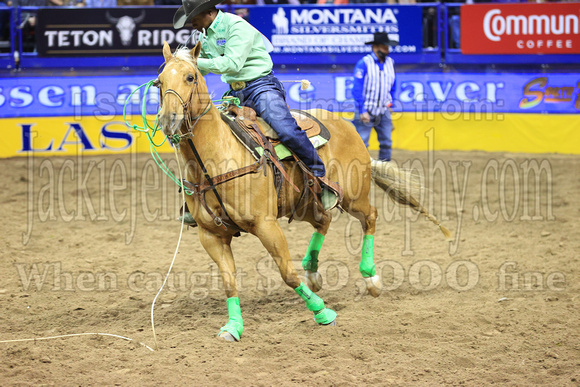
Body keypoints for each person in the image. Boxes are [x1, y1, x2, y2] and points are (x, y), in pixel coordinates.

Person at [173, 0, 340, 215]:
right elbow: (201, 70)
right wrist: (179, 69)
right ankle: (202, 194)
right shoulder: (203, 36)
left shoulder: (236, 26)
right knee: (204, 135)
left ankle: (320, 178)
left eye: (192, 18)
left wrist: (191, 60)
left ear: (207, 13)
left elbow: (232, 64)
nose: (191, 23)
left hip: (261, 86)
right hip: (235, 93)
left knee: (285, 128)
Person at [351, 32, 397, 162]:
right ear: (375, 47)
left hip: (384, 109)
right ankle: (360, 168)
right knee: (362, 143)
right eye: (384, 47)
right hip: (367, 109)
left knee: (387, 142)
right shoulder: (364, 63)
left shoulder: (390, 63)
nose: (387, 50)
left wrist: (390, 104)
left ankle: (385, 169)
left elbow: (393, 85)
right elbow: (357, 88)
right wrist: (362, 110)